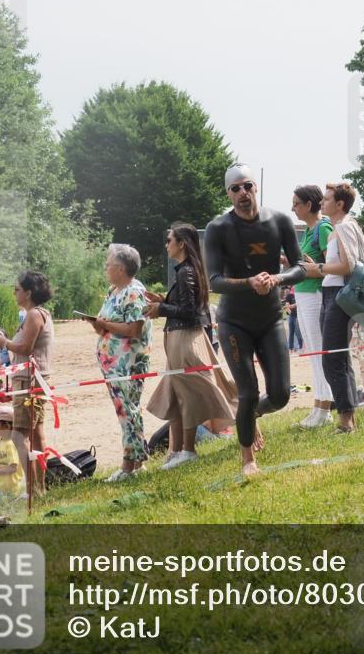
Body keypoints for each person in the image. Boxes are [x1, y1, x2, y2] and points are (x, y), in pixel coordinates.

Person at [204, 164, 305, 475]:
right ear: (228, 194)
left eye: (247, 185)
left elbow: (300, 267)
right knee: (247, 392)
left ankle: (251, 416)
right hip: (234, 322)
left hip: (270, 318)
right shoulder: (218, 228)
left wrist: (277, 278)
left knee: (280, 395)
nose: (242, 193)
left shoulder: (279, 221)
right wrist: (249, 282)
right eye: (235, 188)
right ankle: (248, 459)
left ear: (255, 188)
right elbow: (214, 281)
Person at [147, 223, 237, 470]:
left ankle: (188, 450)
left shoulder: (186, 272)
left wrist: (160, 309)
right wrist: (163, 300)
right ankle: (177, 450)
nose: (166, 245)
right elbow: (187, 305)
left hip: (185, 339)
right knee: (176, 395)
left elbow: (188, 311)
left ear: (182, 244)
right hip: (179, 338)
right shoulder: (187, 270)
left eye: (169, 240)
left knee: (188, 395)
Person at [302, 182, 364, 434]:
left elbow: (348, 266)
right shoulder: (338, 228)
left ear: (340, 204)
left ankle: (345, 420)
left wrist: (317, 268)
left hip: (340, 296)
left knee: (332, 360)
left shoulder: (343, 227)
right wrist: (317, 266)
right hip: (331, 293)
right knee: (340, 358)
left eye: (327, 199)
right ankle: (348, 416)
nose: (322, 203)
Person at [89, 244, 154, 482]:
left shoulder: (134, 292)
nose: (105, 268)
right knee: (126, 410)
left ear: (120, 268)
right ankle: (137, 461)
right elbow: (106, 322)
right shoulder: (113, 290)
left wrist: (105, 325)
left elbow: (134, 329)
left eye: (108, 264)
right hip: (112, 363)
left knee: (127, 410)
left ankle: (129, 466)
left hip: (128, 363)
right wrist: (98, 324)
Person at [0, 271, 55, 495]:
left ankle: (32, 489)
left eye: (17, 289)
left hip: (29, 381)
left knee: (20, 435)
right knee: (36, 434)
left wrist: (4, 342)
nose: (14, 293)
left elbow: (26, 348)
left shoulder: (34, 315)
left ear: (28, 292)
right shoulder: (36, 314)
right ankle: (38, 488)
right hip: (32, 379)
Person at [291, 184, 334, 428]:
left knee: (319, 353)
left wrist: (310, 268)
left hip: (316, 296)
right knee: (313, 353)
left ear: (309, 205)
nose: (293, 208)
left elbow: (332, 267)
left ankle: (325, 408)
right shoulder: (308, 231)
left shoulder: (323, 228)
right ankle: (318, 405)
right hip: (304, 295)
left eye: (296, 204)